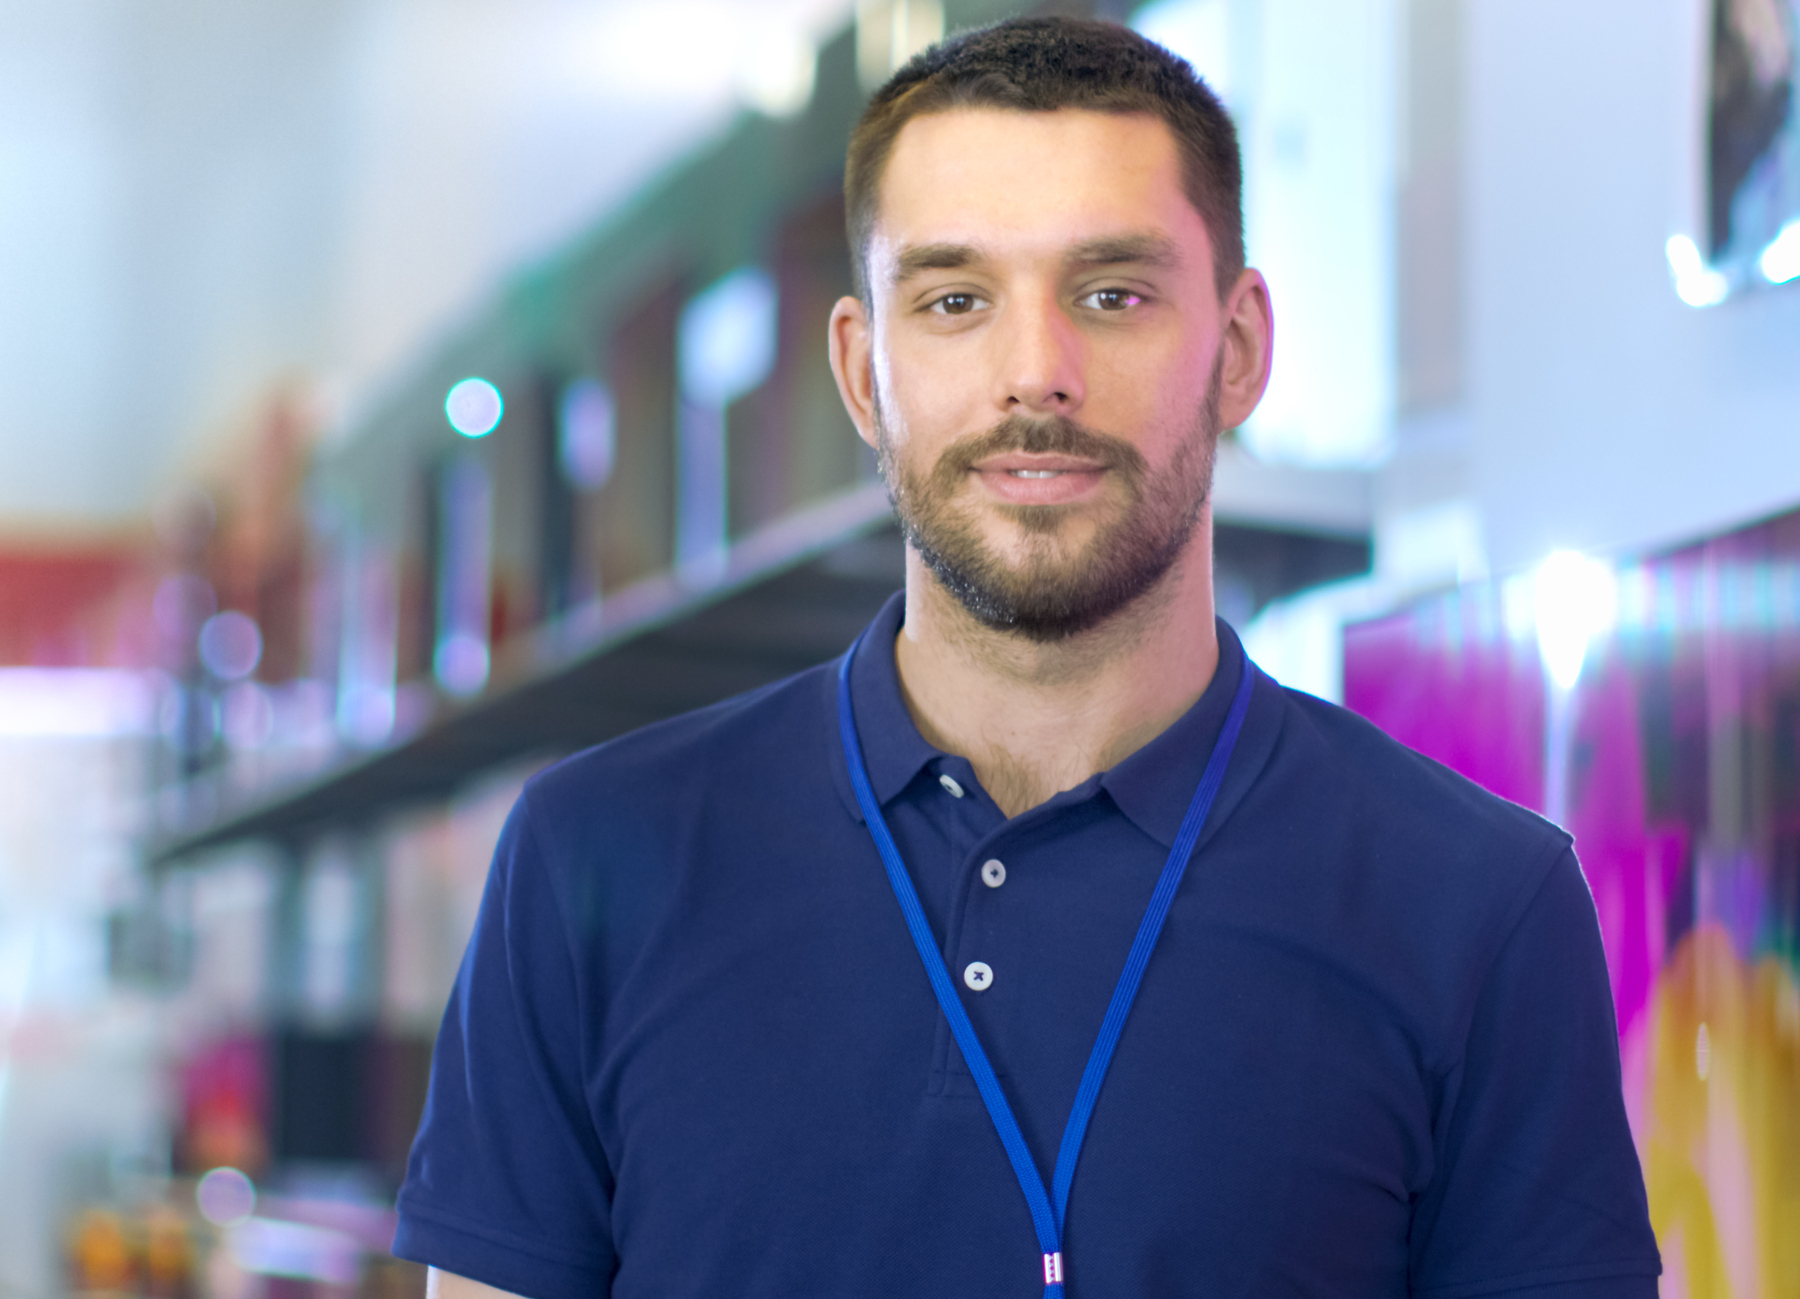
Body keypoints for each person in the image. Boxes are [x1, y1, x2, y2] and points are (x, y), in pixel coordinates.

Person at [393, 17, 1659, 1299]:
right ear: (861, 371)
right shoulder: (591, 860)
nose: (1033, 374)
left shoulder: (1477, 902)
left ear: (1235, 351)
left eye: (1110, 295)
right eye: (953, 301)